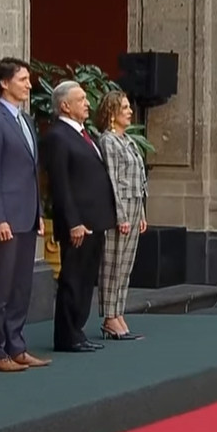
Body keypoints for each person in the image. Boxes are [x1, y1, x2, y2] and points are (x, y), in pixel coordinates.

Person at [0, 58, 51, 372]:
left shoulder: (26, 121)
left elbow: (31, 172)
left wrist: (38, 213)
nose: (29, 85)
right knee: (2, 285)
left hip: (26, 215)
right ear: (4, 83)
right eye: (22, 79)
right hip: (6, 218)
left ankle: (16, 345)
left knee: (22, 285)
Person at [43, 81, 117, 352]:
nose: (88, 103)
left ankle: (78, 330)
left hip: (96, 221)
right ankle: (66, 335)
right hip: (78, 224)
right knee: (73, 278)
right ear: (65, 105)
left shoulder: (87, 134)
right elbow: (61, 185)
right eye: (81, 99)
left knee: (86, 279)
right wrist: (73, 221)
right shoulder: (58, 137)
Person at [96, 91, 148, 340]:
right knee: (113, 264)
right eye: (124, 108)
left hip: (134, 204)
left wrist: (141, 214)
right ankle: (109, 316)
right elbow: (112, 181)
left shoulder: (128, 140)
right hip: (120, 206)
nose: (129, 111)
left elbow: (138, 178)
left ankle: (118, 312)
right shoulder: (108, 141)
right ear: (112, 113)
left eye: (129, 107)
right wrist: (121, 215)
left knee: (125, 265)